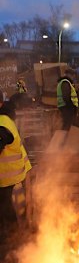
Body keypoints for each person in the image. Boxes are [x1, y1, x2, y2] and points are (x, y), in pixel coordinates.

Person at [0, 100, 32, 239]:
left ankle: (12, 252)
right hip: (11, 180)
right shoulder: (5, 120)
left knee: (9, 221)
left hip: (9, 183)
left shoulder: (3, 124)